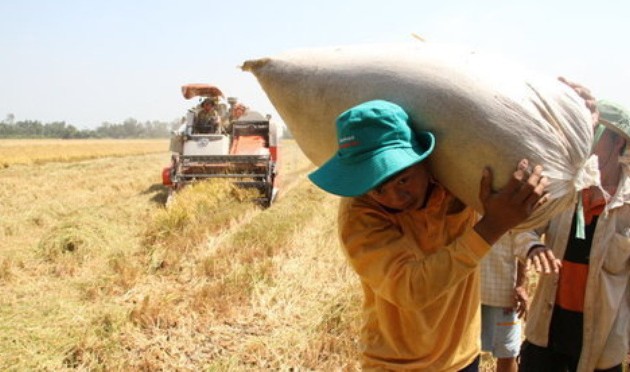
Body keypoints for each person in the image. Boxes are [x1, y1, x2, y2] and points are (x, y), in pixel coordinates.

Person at [307, 99, 548, 371]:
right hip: (396, 364)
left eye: (403, 179)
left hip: (462, 356)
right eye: (377, 187)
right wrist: (491, 227)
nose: (394, 197)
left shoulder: (457, 181)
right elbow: (409, 288)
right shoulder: (360, 215)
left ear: (424, 159)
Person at [516, 97, 630, 372]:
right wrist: (533, 247)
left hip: (602, 343)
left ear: (617, 142)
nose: (584, 141)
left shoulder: (626, 204)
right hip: (547, 333)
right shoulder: (564, 188)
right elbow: (523, 228)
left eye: (593, 133)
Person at [480, 232, 529, 372]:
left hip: (504, 293)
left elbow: (523, 243)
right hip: (470, 292)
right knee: (465, 352)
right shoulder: (470, 210)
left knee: (507, 353)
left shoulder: (514, 209)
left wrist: (520, 285)